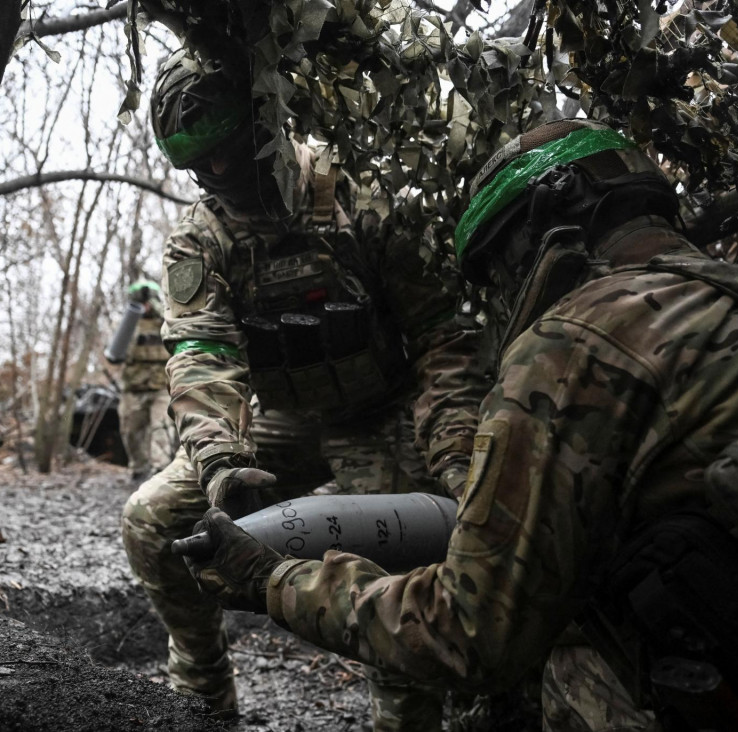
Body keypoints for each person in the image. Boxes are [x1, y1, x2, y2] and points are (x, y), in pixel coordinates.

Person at [184, 119, 738, 731]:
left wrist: (271, 581)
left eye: (499, 267)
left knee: (566, 654)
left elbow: (470, 634)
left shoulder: (573, 341)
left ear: (545, 232)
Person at [120, 48, 489, 726]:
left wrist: (455, 453)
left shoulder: (362, 200)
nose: (218, 173)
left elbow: (444, 338)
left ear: (264, 119)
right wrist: (222, 465)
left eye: (228, 150)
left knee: (409, 576)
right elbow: (201, 356)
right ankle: (201, 693)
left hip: (383, 416)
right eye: (198, 164)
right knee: (153, 523)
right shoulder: (203, 240)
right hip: (279, 424)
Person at [112, 279, 176, 482]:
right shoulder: (127, 325)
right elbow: (114, 355)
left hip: (161, 388)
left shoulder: (168, 323)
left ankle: (161, 473)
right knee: (131, 433)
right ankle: (139, 469)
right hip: (134, 388)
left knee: (162, 430)